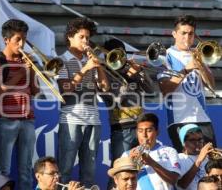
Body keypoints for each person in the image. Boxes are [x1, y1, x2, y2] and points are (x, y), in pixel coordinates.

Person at [0, 19, 39, 190]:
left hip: (28, 120)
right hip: (6, 119)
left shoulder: (26, 61)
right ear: (6, 39)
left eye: (24, 39)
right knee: (3, 170)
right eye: (18, 39)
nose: (22, 44)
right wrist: (23, 69)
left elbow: (36, 91)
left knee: (26, 170)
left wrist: (31, 70)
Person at [56, 17, 109, 187]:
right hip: (71, 119)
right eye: (81, 37)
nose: (86, 41)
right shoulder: (60, 60)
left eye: (87, 37)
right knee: (65, 168)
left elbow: (105, 88)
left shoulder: (90, 60)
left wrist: (99, 66)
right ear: (70, 37)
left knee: (89, 172)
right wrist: (85, 68)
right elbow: (65, 89)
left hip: (93, 119)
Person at [158, 14, 216, 152]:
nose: (187, 38)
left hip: (203, 118)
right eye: (183, 33)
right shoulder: (165, 56)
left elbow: (212, 86)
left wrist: (201, 66)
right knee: (187, 164)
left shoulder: (198, 54)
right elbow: (165, 90)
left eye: (191, 34)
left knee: (212, 163)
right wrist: (186, 70)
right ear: (174, 34)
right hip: (180, 120)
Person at [101, 38, 154, 189]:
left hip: (140, 127)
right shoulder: (104, 73)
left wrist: (141, 73)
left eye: (121, 54)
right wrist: (129, 78)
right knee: (120, 171)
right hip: (121, 128)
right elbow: (118, 98)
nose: (120, 58)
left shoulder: (130, 70)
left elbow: (151, 89)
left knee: (141, 171)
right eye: (116, 55)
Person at [122, 113, 181, 190]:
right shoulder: (127, 155)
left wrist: (151, 162)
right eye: (140, 131)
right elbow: (122, 183)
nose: (144, 135)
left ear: (157, 131)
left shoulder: (170, 151)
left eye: (149, 130)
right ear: (136, 133)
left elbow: (173, 180)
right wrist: (129, 162)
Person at [176, 124, 213, 190]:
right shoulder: (179, 158)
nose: (197, 143)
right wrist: (199, 159)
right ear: (183, 143)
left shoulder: (208, 158)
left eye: (200, 139)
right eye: (192, 140)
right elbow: (182, 184)